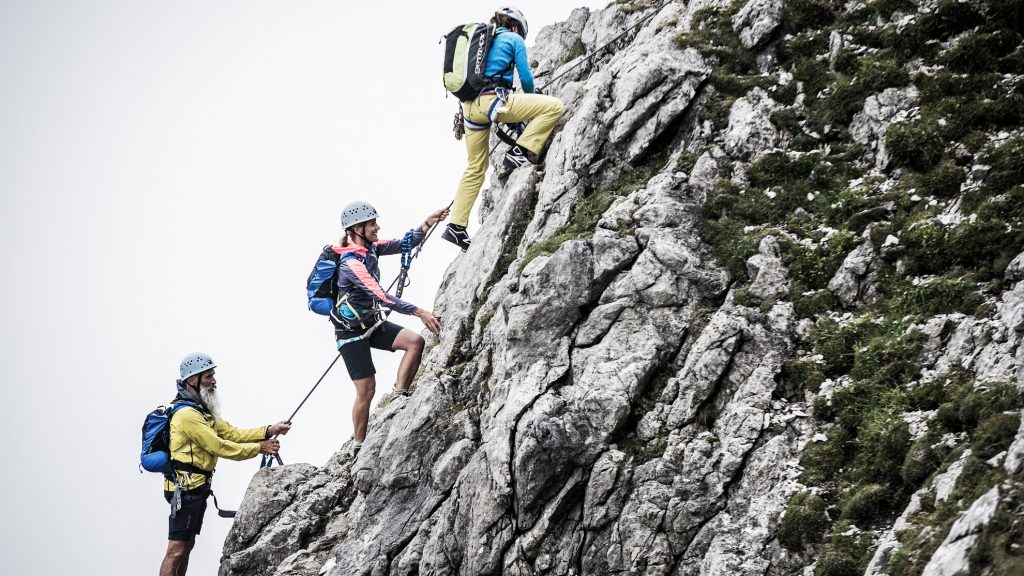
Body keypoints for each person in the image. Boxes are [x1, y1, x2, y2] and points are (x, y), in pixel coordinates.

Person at [442, 6, 565, 252]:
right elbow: (527, 79)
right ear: (517, 26)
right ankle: (520, 152)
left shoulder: (483, 42)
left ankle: (455, 225)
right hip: (493, 101)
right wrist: (532, 99)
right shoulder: (513, 38)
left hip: (469, 110)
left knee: (476, 167)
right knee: (553, 107)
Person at [159, 352, 291, 576]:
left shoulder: (202, 410)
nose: (214, 380)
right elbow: (219, 446)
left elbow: (231, 433)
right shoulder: (187, 416)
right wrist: (260, 448)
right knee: (176, 550)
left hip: (195, 489)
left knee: (186, 546)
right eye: (209, 375)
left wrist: (268, 430)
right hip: (185, 491)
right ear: (193, 380)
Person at [332, 201, 445, 455]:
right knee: (367, 389)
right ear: (356, 229)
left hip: (371, 322)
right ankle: (358, 447)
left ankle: (399, 397)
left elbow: (405, 243)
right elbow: (381, 296)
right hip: (350, 334)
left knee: (415, 343)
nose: (377, 227)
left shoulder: (371, 248)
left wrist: (428, 222)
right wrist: (419, 311)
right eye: (372, 224)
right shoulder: (351, 264)